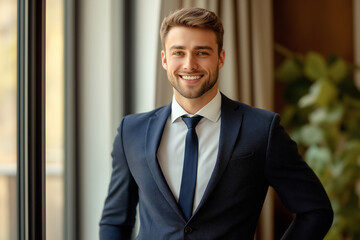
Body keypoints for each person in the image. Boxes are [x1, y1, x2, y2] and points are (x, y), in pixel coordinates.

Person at [99, 7, 333, 240]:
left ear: (220, 58)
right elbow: (115, 221)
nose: (189, 64)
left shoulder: (262, 129)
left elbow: (316, 210)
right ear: (164, 59)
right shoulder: (131, 131)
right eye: (178, 52)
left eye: (202, 53)